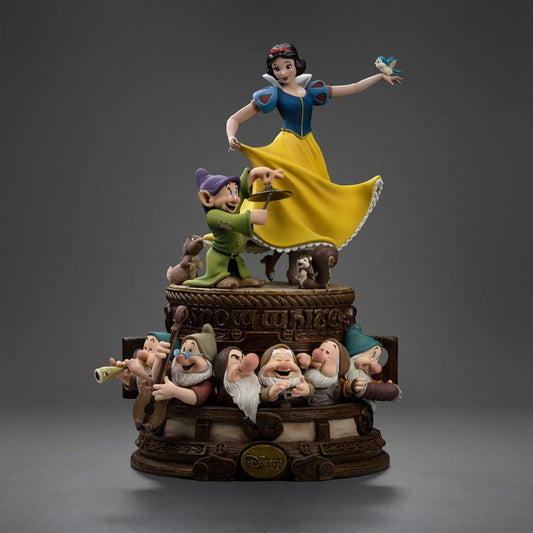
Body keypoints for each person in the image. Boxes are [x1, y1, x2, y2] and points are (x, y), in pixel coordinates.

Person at [226, 43, 401, 283]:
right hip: (287, 149)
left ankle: (287, 265)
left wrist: (379, 77)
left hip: (308, 151)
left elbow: (352, 88)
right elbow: (234, 118)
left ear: (296, 65)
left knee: (309, 204)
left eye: (287, 66)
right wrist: (231, 136)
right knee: (288, 205)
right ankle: (288, 267)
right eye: (277, 68)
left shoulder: (312, 91)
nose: (283, 72)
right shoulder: (273, 94)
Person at [184, 166, 283, 288]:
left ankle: (239, 279)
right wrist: (250, 217)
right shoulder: (213, 216)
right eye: (230, 193)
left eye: (235, 193)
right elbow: (232, 222)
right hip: (219, 259)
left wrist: (255, 174)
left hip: (234, 258)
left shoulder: (232, 208)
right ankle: (221, 279)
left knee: (237, 278)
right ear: (207, 198)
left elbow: (243, 189)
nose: (236, 199)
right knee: (229, 282)